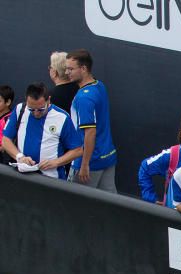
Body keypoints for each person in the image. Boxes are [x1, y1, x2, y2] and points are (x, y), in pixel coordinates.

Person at [2, 82, 82, 180]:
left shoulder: (62, 117)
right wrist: (20, 157)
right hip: (23, 176)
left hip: (51, 178)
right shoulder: (20, 110)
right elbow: (6, 140)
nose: (36, 113)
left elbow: (77, 150)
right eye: (31, 109)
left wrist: (56, 162)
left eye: (41, 109)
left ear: (48, 100)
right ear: (26, 100)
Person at [64, 49, 117, 191]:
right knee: (110, 205)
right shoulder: (100, 85)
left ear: (83, 68)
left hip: (89, 162)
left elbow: (90, 132)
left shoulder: (83, 98)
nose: (67, 72)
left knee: (78, 206)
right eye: (66, 69)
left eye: (70, 69)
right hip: (108, 156)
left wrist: (84, 164)